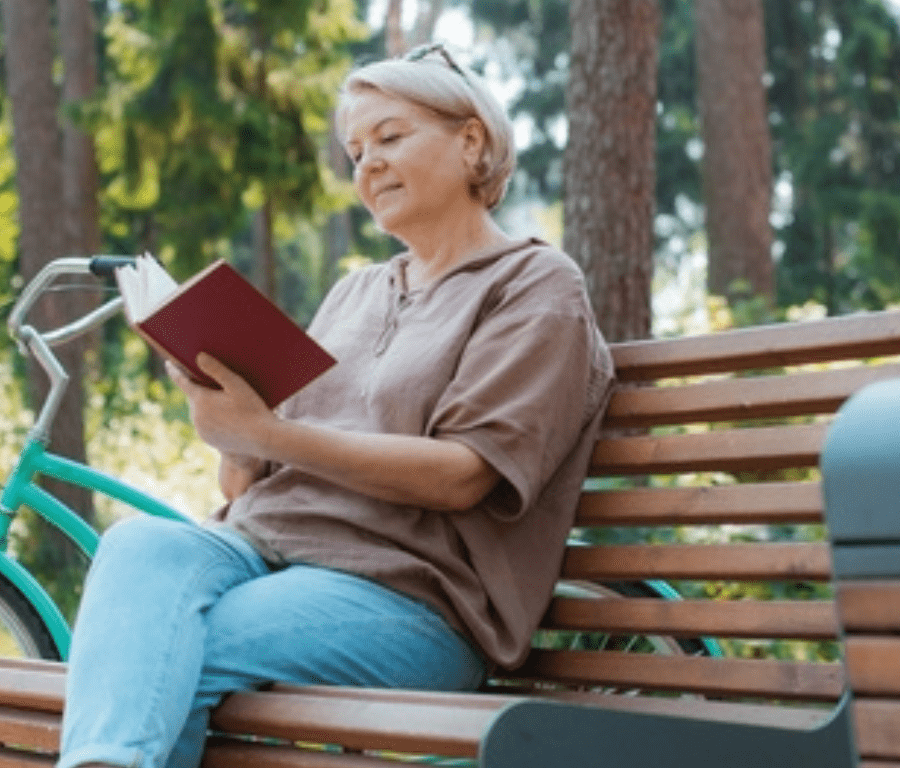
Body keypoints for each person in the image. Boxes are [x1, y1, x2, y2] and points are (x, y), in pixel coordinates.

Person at [59, 44, 614, 768]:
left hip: (410, 598)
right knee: (136, 547)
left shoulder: (535, 285)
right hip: (265, 551)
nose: (368, 165)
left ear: (471, 140)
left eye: (390, 137)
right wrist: (232, 428)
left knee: (165, 647)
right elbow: (247, 487)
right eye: (355, 151)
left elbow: (462, 475)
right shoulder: (356, 292)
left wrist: (272, 434)